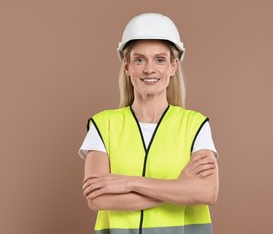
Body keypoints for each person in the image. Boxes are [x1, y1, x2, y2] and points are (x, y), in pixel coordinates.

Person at [79, 13, 219, 234]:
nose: (149, 69)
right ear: (127, 66)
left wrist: (130, 183)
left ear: (173, 67)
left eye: (160, 60)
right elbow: (98, 199)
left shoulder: (195, 125)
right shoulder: (102, 125)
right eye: (139, 59)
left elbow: (207, 193)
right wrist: (179, 188)